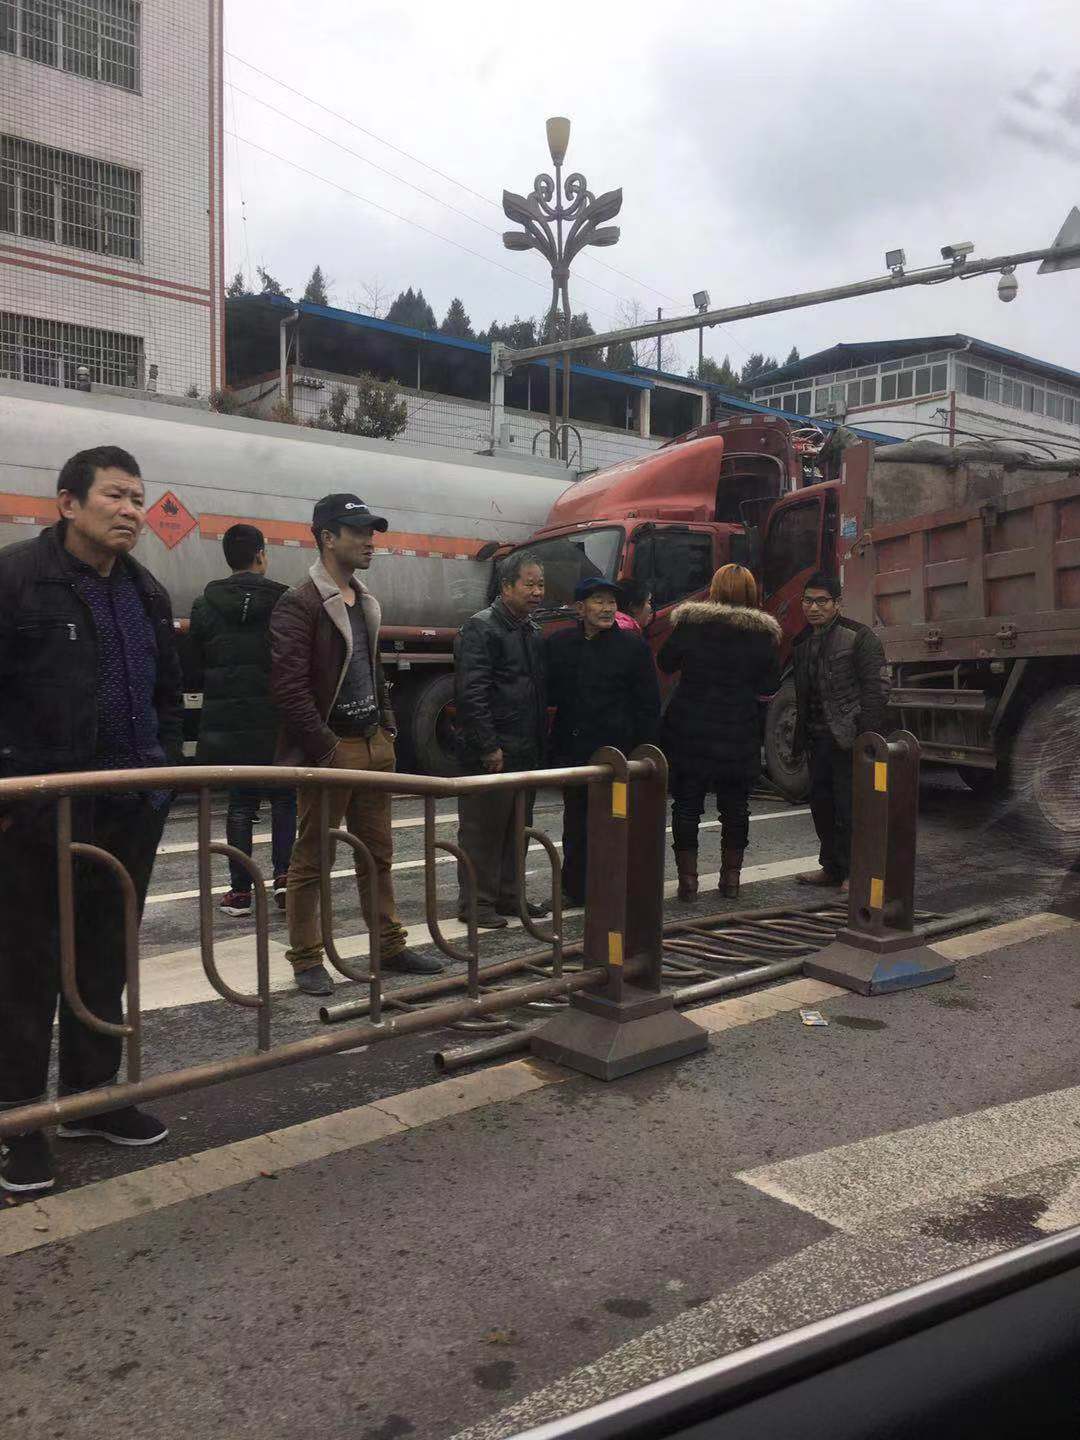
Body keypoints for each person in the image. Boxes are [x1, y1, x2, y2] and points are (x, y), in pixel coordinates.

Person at [0, 446, 183, 1195]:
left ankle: (91, 1099)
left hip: (128, 811)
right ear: (68, 503)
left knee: (104, 958)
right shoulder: (17, 579)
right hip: (37, 815)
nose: (131, 511)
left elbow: (168, 695)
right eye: (115, 495)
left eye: (138, 498)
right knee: (25, 967)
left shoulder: (145, 590)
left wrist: (161, 781)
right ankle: (17, 1122)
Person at [270, 494, 443, 996]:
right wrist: (326, 748)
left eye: (372, 532)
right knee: (313, 858)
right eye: (359, 532)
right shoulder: (300, 603)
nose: (370, 542)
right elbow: (287, 689)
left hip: (372, 744)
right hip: (334, 748)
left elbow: (372, 669)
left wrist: (386, 727)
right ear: (327, 537)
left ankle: (388, 944)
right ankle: (307, 958)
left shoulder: (363, 600)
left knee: (377, 853)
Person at [658, 564, 781, 902]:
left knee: (686, 805)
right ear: (751, 593)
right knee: (736, 807)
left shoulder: (691, 625)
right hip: (737, 730)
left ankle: (688, 883)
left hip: (690, 729)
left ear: (713, 590)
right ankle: (731, 881)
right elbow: (769, 687)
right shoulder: (761, 635)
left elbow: (665, 662)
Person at [190, 524, 295, 916]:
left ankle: (240, 893)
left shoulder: (205, 604)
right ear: (261, 554)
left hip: (230, 721)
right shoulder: (285, 601)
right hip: (276, 719)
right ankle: (286, 881)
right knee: (284, 799)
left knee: (240, 804)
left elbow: (195, 665)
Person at [546, 578, 661, 905]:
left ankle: (613, 888)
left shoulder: (633, 648)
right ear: (580, 608)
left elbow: (648, 705)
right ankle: (573, 889)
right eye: (598, 601)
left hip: (617, 754)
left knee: (615, 822)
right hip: (574, 751)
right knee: (575, 822)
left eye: (611, 602)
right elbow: (549, 695)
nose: (607, 608)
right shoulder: (560, 644)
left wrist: (644, 755)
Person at [454, 552, 549, 929]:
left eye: (541, 584)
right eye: (530, 584)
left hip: (525, 746)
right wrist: (488, 745)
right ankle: (477, 904)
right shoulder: (481, 628)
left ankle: (510, 896)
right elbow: (472, 693)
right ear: (506, 586)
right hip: (494, 750)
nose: (538, 591)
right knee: (483, 831)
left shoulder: (530, 629)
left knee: (517, 829)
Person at [792, 571, 889, 890]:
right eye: (808, 601)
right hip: (816, 738)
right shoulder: (801, 641)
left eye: (822, 601)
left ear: (837, 603)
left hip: (849, 739)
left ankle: (854, 871)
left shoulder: (859, 636)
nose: (813, 608)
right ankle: (831, 867)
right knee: (822, 806)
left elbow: (876, 689)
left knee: (851, 808)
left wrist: (866, 736)